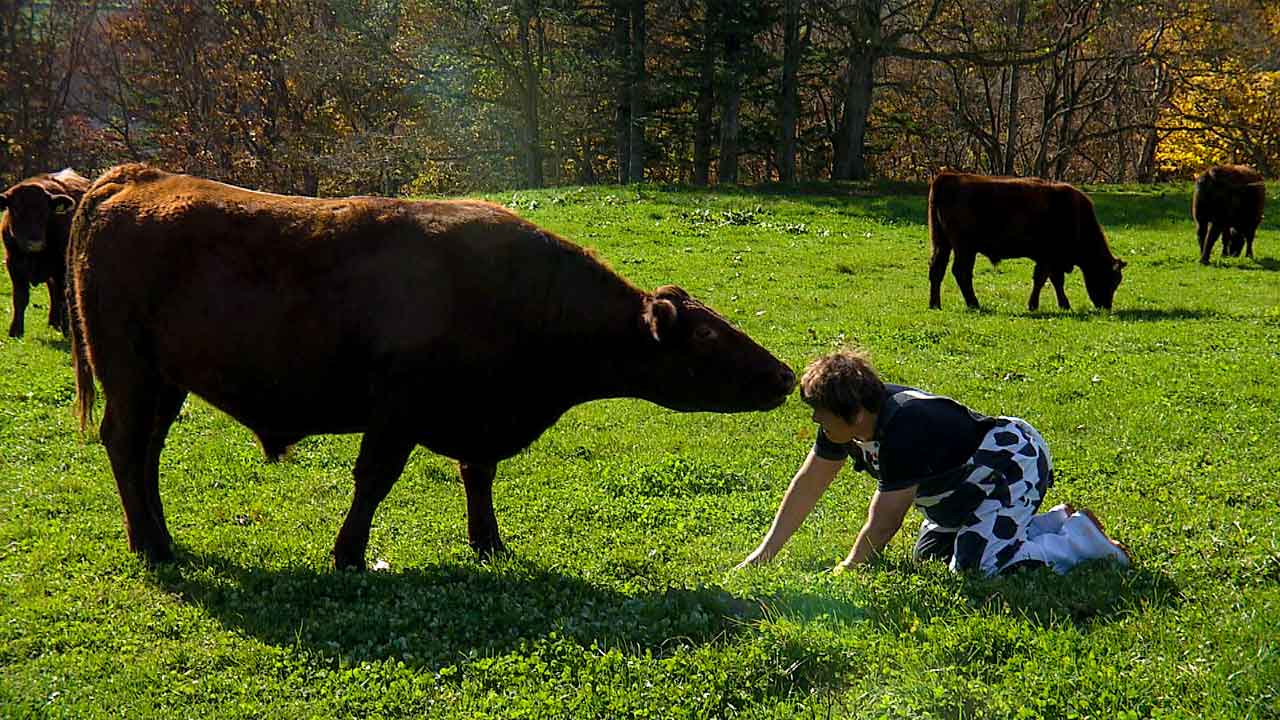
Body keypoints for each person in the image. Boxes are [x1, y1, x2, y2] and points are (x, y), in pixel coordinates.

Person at [737, 349, 1129, 576]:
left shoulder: (905, 427)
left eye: (820, 413)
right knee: (932, 558)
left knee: (976, 567)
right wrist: (765, 553)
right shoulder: (848, 422)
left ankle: (1081, 541)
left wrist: (851, 566)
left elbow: (886, 518)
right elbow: (809, 484)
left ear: (854, 414)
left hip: (1010, 466)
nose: (816, 421)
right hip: (959, 492)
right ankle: (1052, 524)